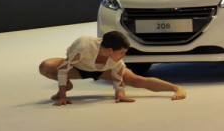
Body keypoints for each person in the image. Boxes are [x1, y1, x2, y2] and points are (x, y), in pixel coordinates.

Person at [38, 30, 186, 106]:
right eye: (121, 52)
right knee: (46, 66)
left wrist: (120, 93)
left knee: (135, 79)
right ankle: (65, 86)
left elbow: (117, 77)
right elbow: (64, 69)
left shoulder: (116, 59)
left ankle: (175, 88)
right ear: (109, 50)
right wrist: (63, 95)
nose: (123, 56)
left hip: (102, 71)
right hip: (78, 68)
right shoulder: (84, 48)